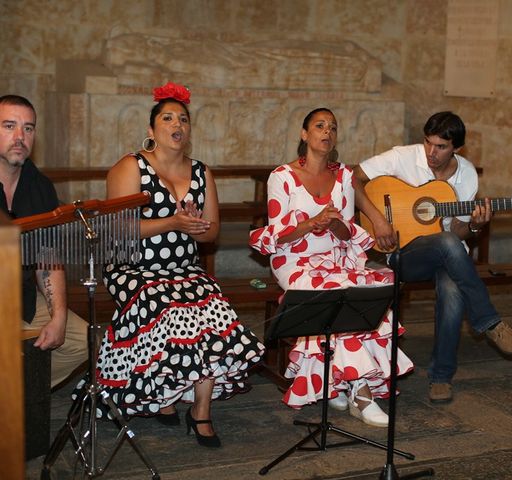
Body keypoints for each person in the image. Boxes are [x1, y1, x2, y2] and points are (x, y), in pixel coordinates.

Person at [90, 82, 264, 447]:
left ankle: (200, 411)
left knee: (212, 309)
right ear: (152, 130)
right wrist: (171, 222)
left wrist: (195, 226)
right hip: (133, 268)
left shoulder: (201, 172)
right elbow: (115, 231)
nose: (177, 124)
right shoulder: (130, 166)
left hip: (184, 268)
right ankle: (164, 395)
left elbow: (211, 233)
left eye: (183, 119)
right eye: (167, 118)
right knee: (168, 307)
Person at [249, 107, 414, 428]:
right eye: (320, 126)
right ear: (304, 134)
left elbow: (347, 232)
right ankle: (361, 392)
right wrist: (311, 223)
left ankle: (336, 383)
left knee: (365, 292)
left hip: (337, 257)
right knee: (333, 294)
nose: (327, 132)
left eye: (333, 128)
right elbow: (277, 236)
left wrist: (336, 225)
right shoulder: (281, 177)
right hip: (294, 260)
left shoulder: (345, 178)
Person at [353, 111, 512, 405]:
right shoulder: (402, 157)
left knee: (452, 285)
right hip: (400, 253)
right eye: (428, 143)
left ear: (456, 148)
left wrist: (474, 225)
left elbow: (458, 231)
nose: (431, 153)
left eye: (441, 147)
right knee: (448, 245)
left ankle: (441, 377)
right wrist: (378, 220)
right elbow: (353, 178)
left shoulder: (467, 174)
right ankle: (489, 322)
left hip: (447, 255)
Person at [0, 94, 88, 389]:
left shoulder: (40, 187)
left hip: (23, 298)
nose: (19, 137)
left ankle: (17, 397)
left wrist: (59, 316)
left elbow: (48, 258)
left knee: (82, 341)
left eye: (28, 128)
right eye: (9, 126)